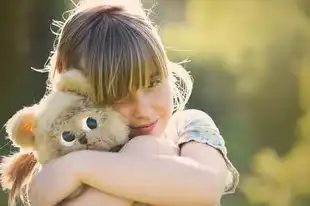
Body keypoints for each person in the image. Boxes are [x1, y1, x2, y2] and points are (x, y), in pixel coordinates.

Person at [28, 2, 239, 206]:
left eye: (153, 83)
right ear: (77, 93)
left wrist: (79, 167)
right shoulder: (62, 156)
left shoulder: (187, 129)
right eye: (118, 95)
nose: (143, 111)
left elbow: (206, 185)